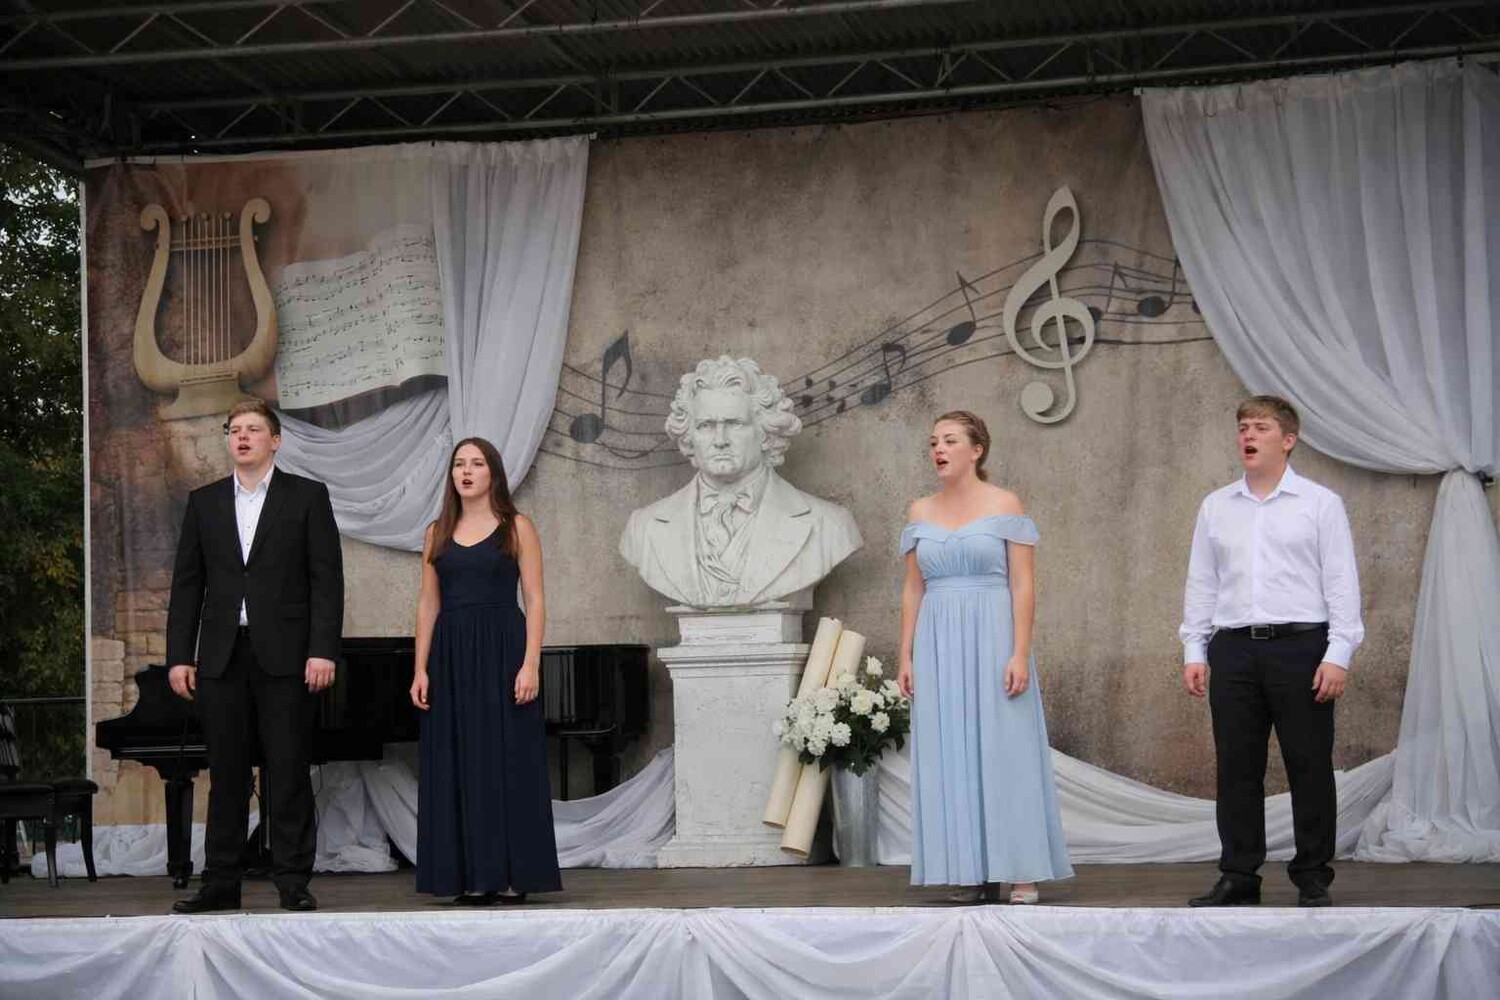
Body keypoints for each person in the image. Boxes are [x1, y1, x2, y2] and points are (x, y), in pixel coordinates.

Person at [1180, 395, 1363, 908]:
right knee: (1237, 768)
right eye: (1243, 427)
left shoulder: (1320, 503)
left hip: (1302, 648)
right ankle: (1239, 875)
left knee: (1309, 764)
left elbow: (1341, 581)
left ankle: (1312, 875)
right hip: (1234, 650)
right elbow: (1202, 581)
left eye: (1260, 427)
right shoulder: (1217, 505)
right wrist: (1194, 648)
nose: (1248, 435)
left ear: (1288, 439)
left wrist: (1338, 653)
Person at [165, 398, 343, 913]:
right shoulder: (204, 502)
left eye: (253, 429)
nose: (241, 437)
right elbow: (187, 585)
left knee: (288, 771)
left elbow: (326, 581)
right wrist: (179, 655)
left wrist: (322, 650)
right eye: (234, 429)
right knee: (227, 775)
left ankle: (293, 882)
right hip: (222, 657)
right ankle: (220, 884)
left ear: (275, 441)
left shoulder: (307, 497)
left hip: (287, 657)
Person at [897, 410, 1072, 904]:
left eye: (950, 440)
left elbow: (1023, 584)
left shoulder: (1004, 503)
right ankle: (969, 867)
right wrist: (906, 654)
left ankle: (1021, 869)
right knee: (949, 749)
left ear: (977, 450)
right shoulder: (919, 511)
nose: (939, 449)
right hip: (938, 640)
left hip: (994, 635)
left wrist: (1020, 651)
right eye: (934, 441)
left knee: (1007, 747)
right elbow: (913, 588)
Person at [411, 437, 561, 904]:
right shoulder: (436, 532)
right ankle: (469, 876)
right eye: (460, 464)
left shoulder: (518, 527)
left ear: (493, 472)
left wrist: (531, 664)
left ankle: (513, 874)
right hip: (450, 656)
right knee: (457, 760)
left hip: (503, 651)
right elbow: (428, 603)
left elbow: (535, 599)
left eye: (476, 463)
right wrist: (420, 668)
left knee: (507, 760)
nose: (466, 471)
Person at [619, 356, 861, 607]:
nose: (720, 440)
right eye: (705, 425)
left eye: (735, 424)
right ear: (689, 435)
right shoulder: (643, 527)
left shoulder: (829, 525)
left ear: (765, 433)